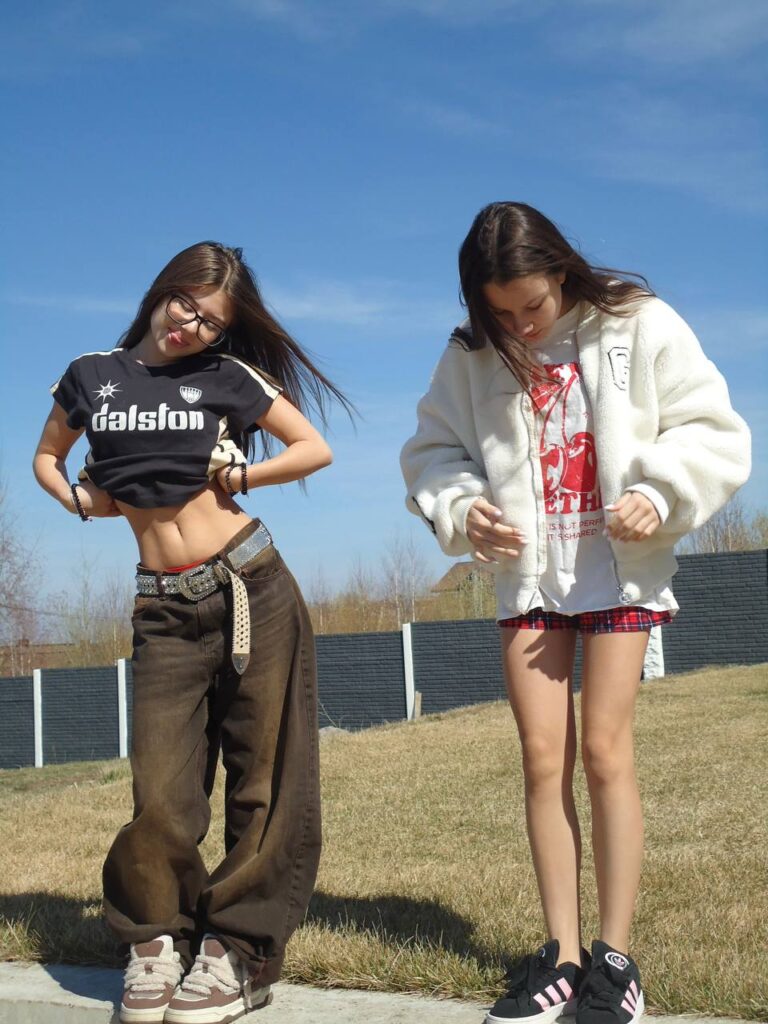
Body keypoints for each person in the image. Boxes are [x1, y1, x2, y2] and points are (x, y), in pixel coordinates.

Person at [400, 203, 750, 1024]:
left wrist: (659, 490)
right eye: (501, 311)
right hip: (531, 580)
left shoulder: (639, 322)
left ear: (560, 271)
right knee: (540, 759)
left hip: (618, 573)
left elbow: (713, 429)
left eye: (532, 305)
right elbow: (432, 452)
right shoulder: (470, 353)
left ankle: (615, 961)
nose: (521, 324)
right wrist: (463, 507)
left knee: (603, 752)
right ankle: (561, 956)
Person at [33, 241, 349, 1024]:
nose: (191, 327)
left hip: (249, 585)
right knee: (161, 789)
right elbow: (47, 456)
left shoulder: (226, 376)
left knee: (262, 781)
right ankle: (153, 939)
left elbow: (314, 448)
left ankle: (239, 951)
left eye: (211, 322)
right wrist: (78, 499)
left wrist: (240, 476)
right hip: (163, 607)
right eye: (186, 305)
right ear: (163, 291)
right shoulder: (93, 375)